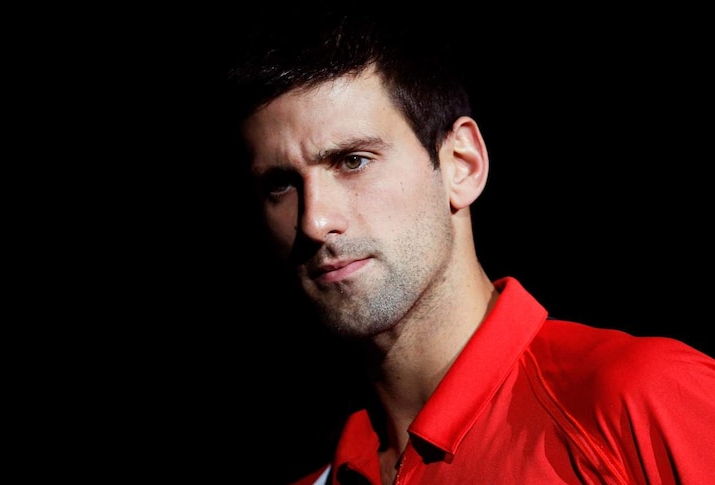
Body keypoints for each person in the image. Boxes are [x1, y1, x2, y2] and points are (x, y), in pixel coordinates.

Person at [219, 4, 715, 484]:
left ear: (462, 165)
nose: (315, 220)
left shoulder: (640, 398)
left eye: (353, 160)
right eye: (280, 184)